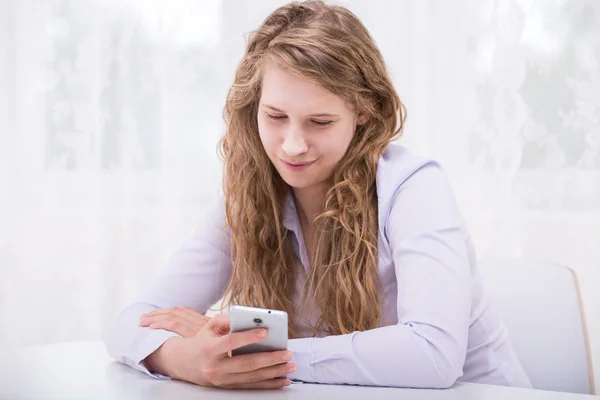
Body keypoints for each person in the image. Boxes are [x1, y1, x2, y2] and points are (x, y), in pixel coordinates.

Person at [105, 0, 532, 390]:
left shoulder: (414, 187)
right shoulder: (250, 197)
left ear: (363, 112)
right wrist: (184, 357)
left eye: (320, 122)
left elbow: (432, 356)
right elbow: (130, 322)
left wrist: (256, 351)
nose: (292, 145)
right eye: (275, 116)